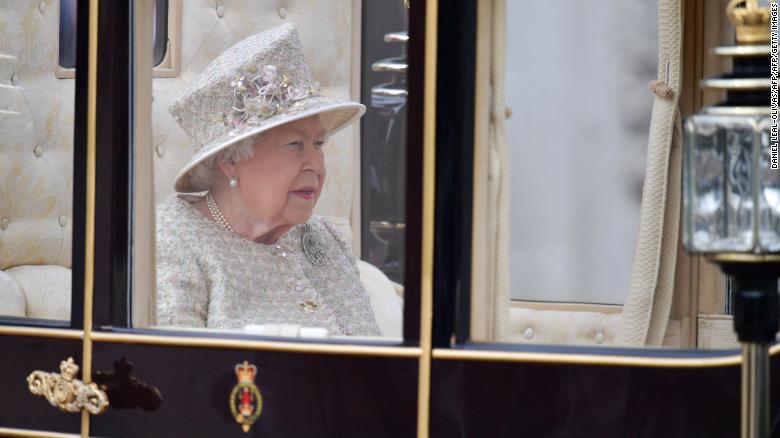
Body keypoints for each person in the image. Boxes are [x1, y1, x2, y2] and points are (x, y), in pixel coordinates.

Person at [156, 23, 380, 336]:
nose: (315, 164)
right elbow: (174, 374)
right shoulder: (171, 240)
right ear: (232, 160)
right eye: (294, 145)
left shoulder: (320, 235)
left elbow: (374, 355)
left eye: (319, 144)